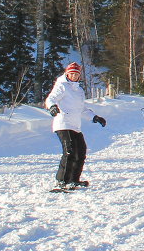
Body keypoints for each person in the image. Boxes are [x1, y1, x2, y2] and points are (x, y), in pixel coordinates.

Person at [45, 61, 106, 191]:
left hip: (75, 126)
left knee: (81, 151)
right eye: (71, 74)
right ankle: (61, 181)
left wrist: (95, 117)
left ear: (79, 76)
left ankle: (74, 179)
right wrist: (52, 107)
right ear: (67, 74)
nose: (73, 76)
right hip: (63, 124)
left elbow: (82, 108)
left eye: (76, 74)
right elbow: (51, 98)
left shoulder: (79, 90)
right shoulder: (62, 86)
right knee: (70, 151)